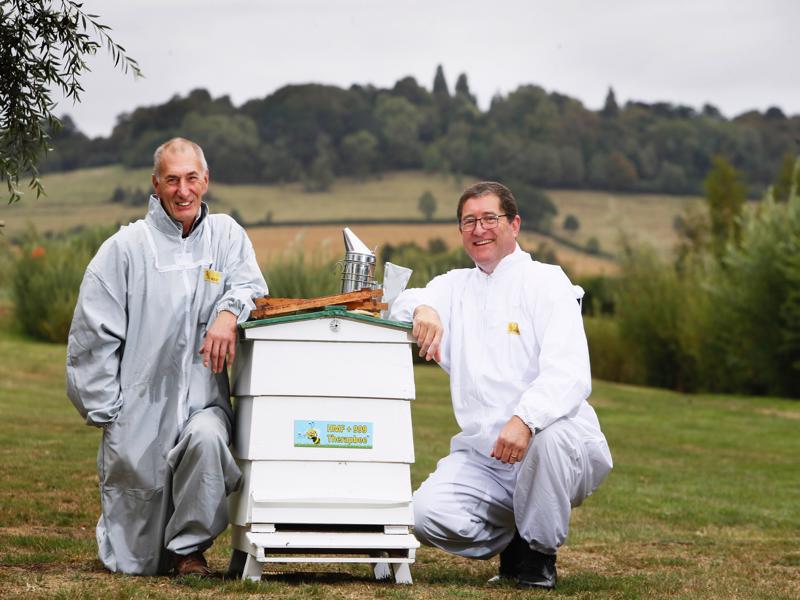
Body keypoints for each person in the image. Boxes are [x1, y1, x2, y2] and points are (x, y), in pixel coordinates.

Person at [389, 181, 612, 589]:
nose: (479, 230)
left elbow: (570, 372)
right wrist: (425, 309)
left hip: (556, 443)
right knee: (424, 515)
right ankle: (515, 537)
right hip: (485, 456)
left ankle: (537, 559)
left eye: (490, 218)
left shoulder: (547, 282)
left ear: (514, 224)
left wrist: (525, 420)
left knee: (548, 439)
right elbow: (402, 302)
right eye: (468, 221)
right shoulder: (454, 286)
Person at [66, 138, 268, 576]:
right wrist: (109, 410)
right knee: (134, 562)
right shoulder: (125, 249)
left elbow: (252, 286)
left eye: (191, 178)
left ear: (206, 181)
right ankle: (152, 550)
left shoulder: (227, 236)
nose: (183, 190)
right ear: (155, 185)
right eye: (172, 180)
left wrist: (228, 314)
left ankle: (188, 551)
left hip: (202, 401)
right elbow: (92, 334)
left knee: (209, 441)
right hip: (140, 408)